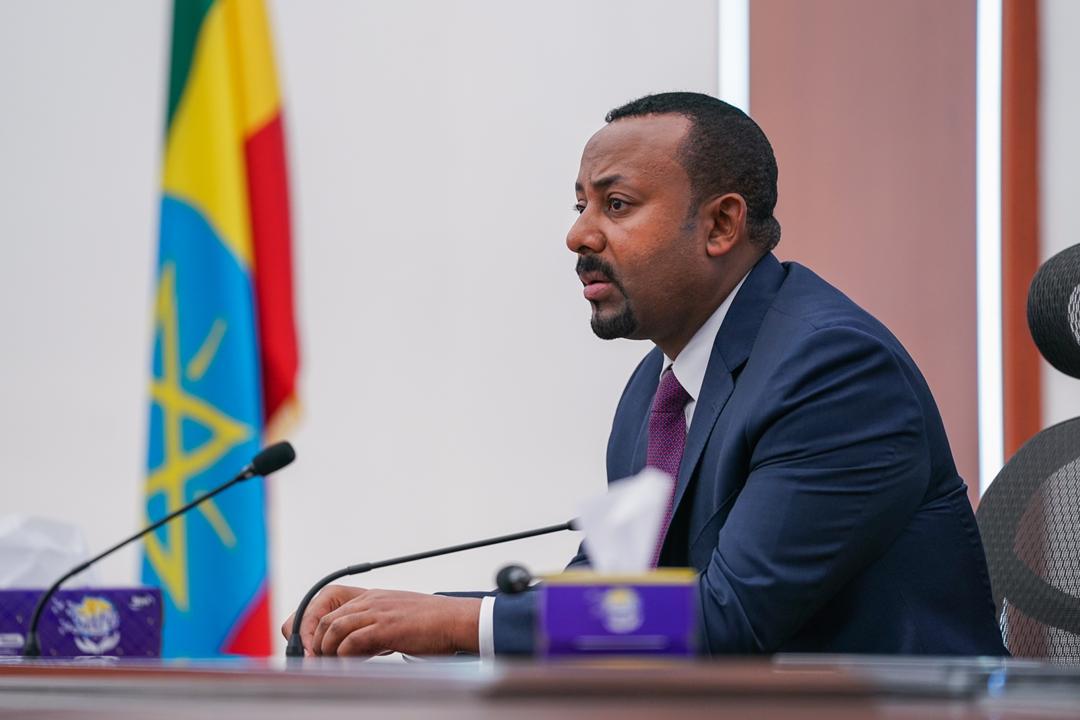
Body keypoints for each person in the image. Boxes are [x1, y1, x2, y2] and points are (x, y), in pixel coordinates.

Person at [282, 92, 1006, 657]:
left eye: (616, 204)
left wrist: (455, 626)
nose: (578, 234)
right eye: (580, 205)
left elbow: (729, 618)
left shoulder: (834, 373)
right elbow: (610, 593)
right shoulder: (657, 393)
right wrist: (404, 616)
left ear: (721, 225)